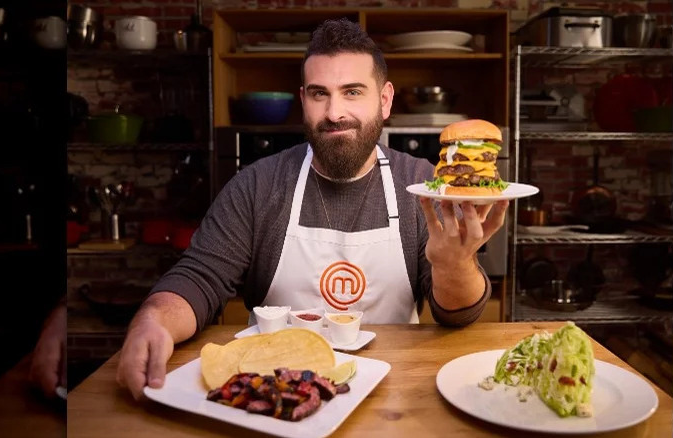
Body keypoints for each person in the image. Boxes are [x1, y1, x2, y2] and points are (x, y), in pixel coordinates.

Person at [116, 18, 510, 400]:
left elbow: (457, 316)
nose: (334, 112)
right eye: (320, 93)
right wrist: (154, 322)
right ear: (303, 99)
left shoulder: (422, 186)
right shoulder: (259, 185)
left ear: (385, 100)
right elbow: (199, 279)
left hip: (392, 391)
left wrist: (454, 265)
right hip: (274, 393)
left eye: (353, 92)